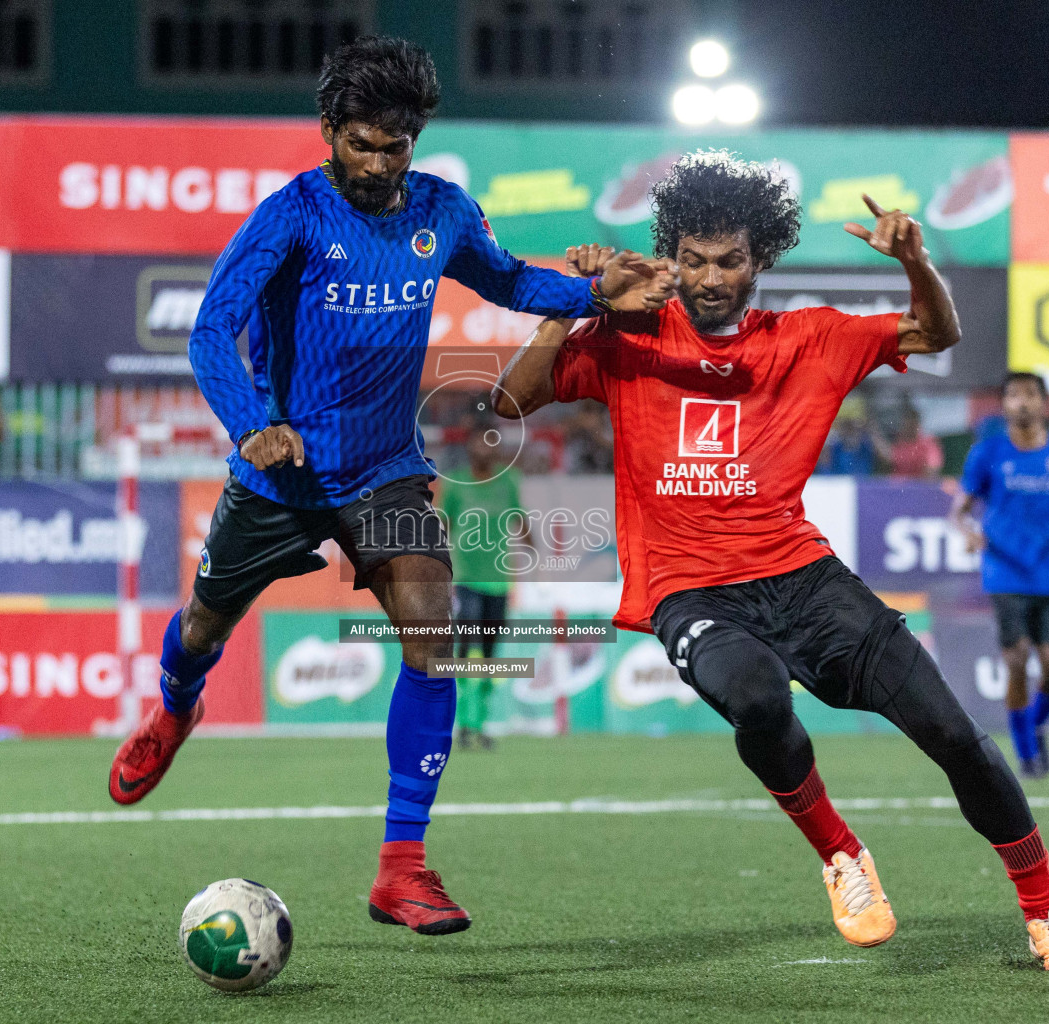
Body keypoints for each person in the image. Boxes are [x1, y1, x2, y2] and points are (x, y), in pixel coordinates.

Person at [106, 36, 674, 937]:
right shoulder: (289, 215)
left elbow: (506, 279)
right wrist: (254, 418)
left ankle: (401, 869)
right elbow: (213, 330)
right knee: (205, 625)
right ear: (329, 132)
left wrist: (594, 295)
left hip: (384, 470)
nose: (376, 163)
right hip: (280, 471)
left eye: (394, 146)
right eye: (361, 144)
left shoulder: (442, 209)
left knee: (434, 633)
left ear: (415, 140)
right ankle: (175, 709)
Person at [493, 151, 1049, 971]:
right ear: (672, 256)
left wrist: (916, 261)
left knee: (953, 734)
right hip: (689, 589)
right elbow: (510, 400)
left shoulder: (811, 338)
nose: (713, 278)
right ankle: (842, 854)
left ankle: (1047, 910)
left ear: (760, 260)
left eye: (732, 260)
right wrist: (573, 306)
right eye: (698, 260)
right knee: (756, 695)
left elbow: (937, 333)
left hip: (804, 578)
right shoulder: (627, 339)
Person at [950, 374, 1049, 781]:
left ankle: (1034, 722)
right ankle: (1026, 751)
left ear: (1044, 403)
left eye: (1030, 395)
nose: (1022, 403)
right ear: (1003, 406)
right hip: (1005, 566)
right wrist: (969, 534)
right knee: (1016, 660)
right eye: (1013, 395)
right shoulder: (987, 453)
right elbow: (959, 511)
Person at [439, 430, 530, 750]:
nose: (483, 448)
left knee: (490, 656)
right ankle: (465, 723)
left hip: (499, 581)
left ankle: (483, 723)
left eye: (489, 443)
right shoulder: (456, 483)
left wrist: (534, 546)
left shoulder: (508, 481)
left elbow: (519, 518)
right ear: (469, 449)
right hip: (466, 580)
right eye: (478, 442)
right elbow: (443, 526)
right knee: (467, 651)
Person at [887, 404, 944, 479]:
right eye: (907, 422)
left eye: (912, 422)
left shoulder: (928, 442)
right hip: (897, 487)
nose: (909, 426)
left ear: (917, 423)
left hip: (920, 487)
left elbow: (933, 467)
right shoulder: (898, 442)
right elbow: (889, 458)